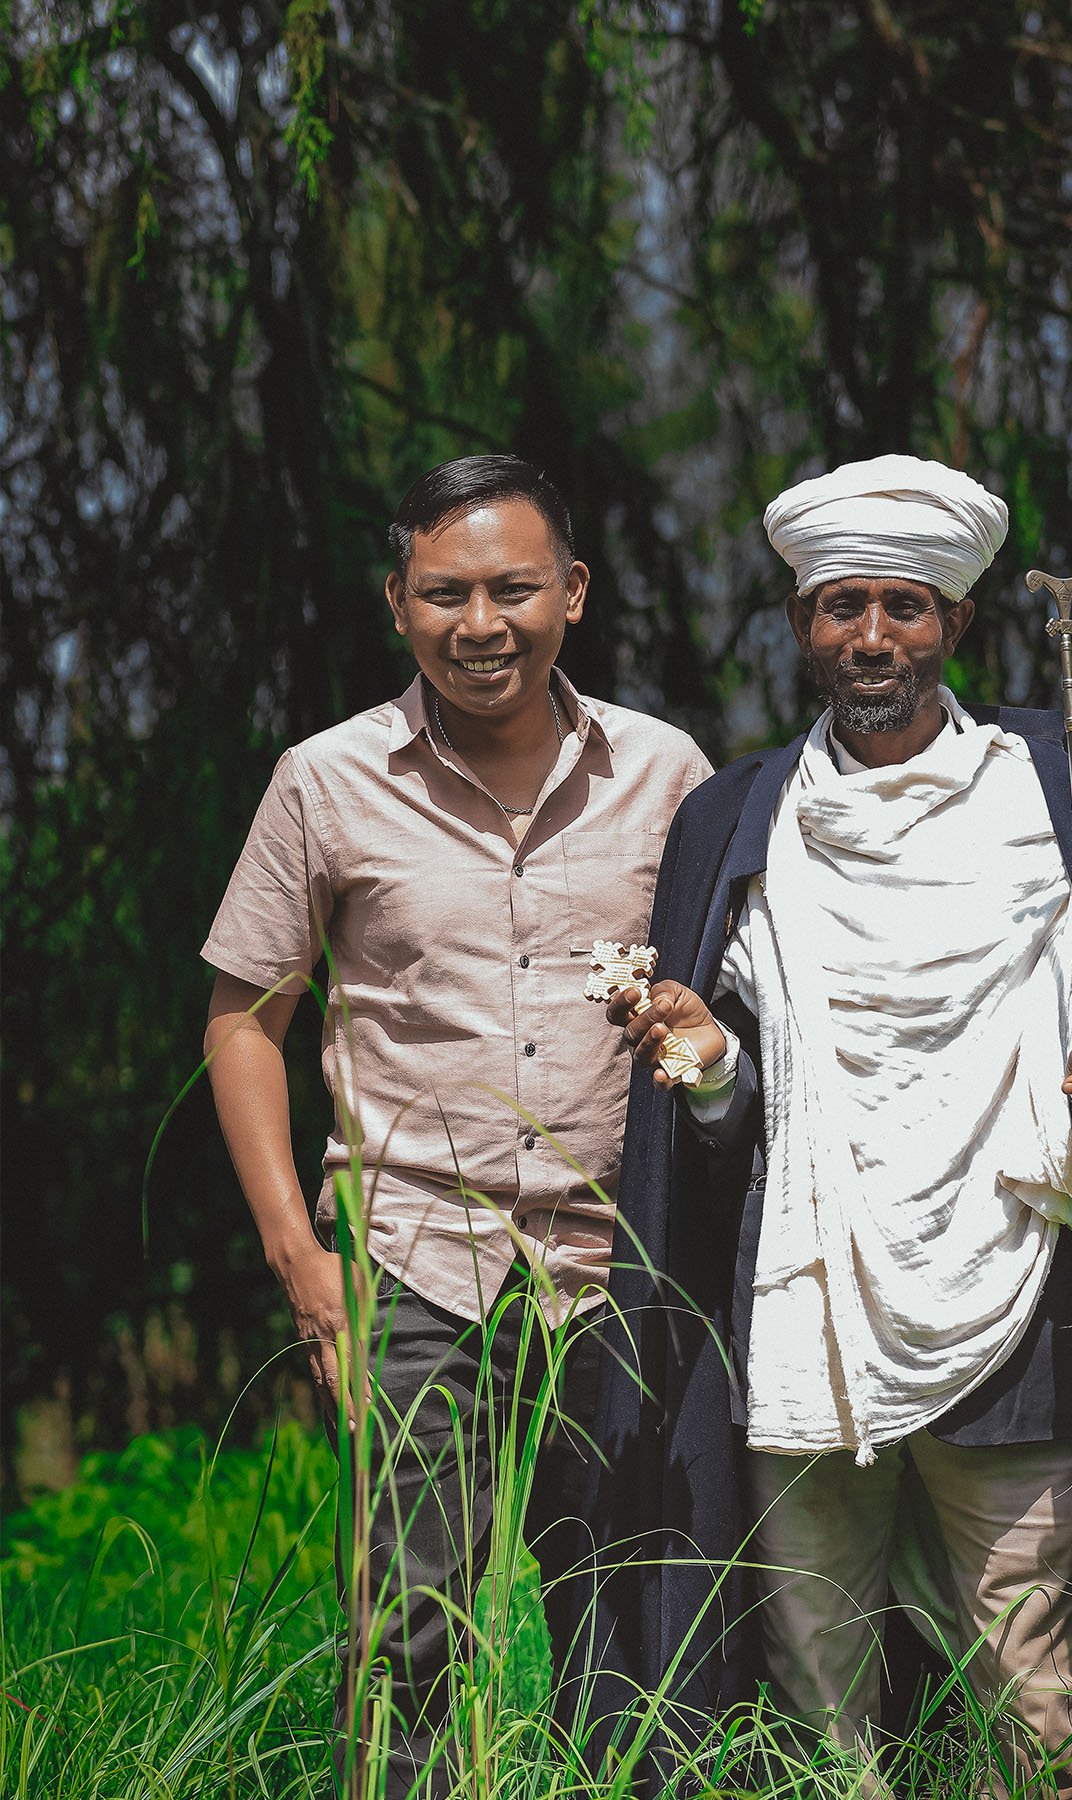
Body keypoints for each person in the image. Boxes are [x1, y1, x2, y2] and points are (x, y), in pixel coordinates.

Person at [577, 456, 1072, 1797]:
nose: (869, 637)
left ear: (957, 626)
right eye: (839, 605)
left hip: (1010, 1311)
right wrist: (712, 1062)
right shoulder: (742, 824)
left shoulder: (1055, 805)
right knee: (819, 1691)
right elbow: (728, 1129)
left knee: (1033, 1686)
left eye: (903, 607)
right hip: (810, 1321)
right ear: (799, 626)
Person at [201, 455, 711, 1796]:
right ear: (398, 604)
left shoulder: (664, 774)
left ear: (574, 595)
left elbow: (727, 997)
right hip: (417, 1259)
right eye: (445, 594)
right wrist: (303, 1265)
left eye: (511, 589)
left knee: (631, 1614)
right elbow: (243, 1020)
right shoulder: (326, 782)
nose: (479, 623)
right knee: (408, 1629)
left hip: (620, 1268)